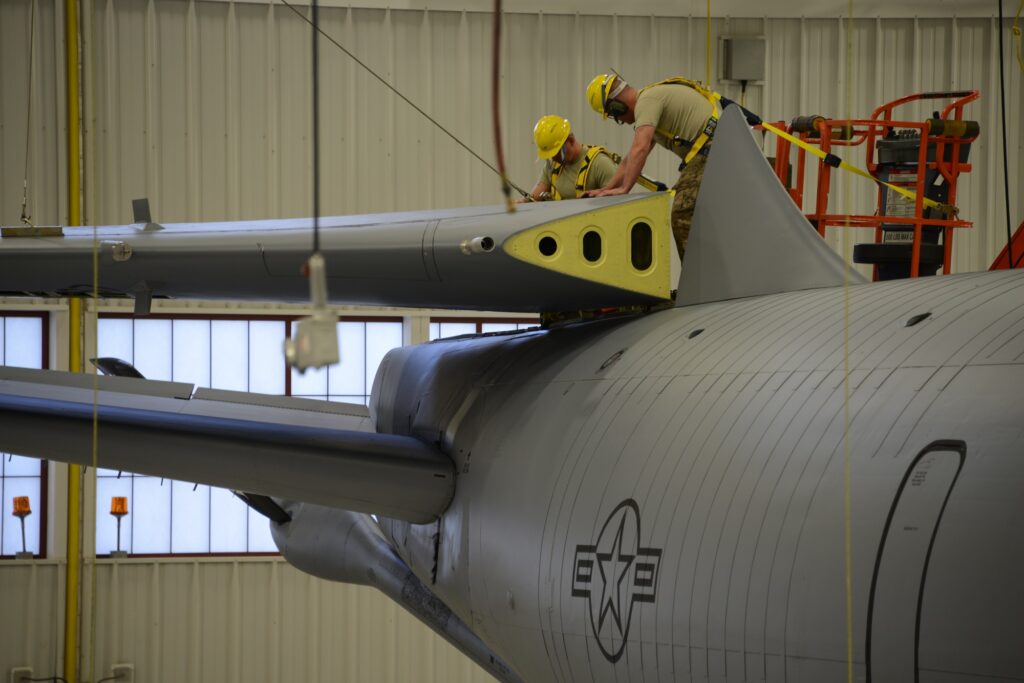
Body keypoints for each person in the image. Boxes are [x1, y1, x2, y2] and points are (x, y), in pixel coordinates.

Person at [584, 73, 759, 263]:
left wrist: (624, 188)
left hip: (713, 150)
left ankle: (698, 283)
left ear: (616, 106)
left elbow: (640, 148)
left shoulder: (647, 101)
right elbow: (629, 160)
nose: (620, 121)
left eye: (613, 115)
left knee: (682, 212)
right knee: (702, 216)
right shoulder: (652, 101)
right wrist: (607, 189)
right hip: (717, 149)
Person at [520, 115, 619, 202]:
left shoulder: (600, 164)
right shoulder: (552, 167)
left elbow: (618, 203)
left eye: (557, 153)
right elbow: (533, 198)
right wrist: (521, 203)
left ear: (571, 140)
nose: (553, 158)